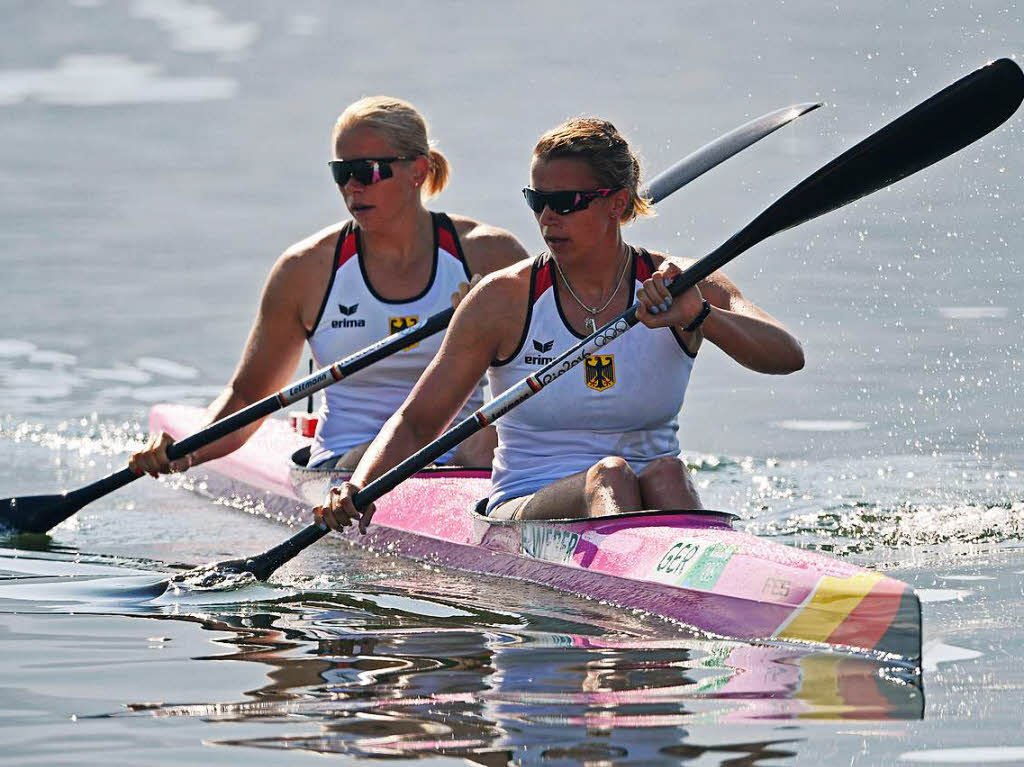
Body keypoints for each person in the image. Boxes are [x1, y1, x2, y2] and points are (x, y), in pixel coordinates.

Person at [316, 117, 805, 533]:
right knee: (609, 475)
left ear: (617, 203)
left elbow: (787, 356)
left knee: (667, 474)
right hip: (525, 504)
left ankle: (686, 586)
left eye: (566, 202)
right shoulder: (504, 299)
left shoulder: (681, 283)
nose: (547, 218)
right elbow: (419, 419)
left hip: (653, 489)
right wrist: (357, 487)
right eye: (537, 201)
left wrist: (701, 317)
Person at [129, 96, 528, 477]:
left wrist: (485, 322)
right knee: (375, 454)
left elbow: (544, 371)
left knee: (486, 440)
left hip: (464, 456)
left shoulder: (489, 256)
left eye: (368, 171)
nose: (353, 187)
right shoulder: (307, 270)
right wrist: (184, 450)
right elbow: (250, 397)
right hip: (345, 465)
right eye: (342, 172)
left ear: (418, 172)